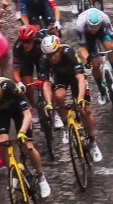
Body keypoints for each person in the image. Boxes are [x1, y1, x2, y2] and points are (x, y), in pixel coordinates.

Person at [0, 73, 51, 198]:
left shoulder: (9, 87)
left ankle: (41, 176)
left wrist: (21, 132)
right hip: (0, 114)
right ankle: (14, 173)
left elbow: (27, 114)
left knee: (27, 146)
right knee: (3, 143)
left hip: (19, 112)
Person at [40, 34, 102, 163]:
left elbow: (80, 77)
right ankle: (66, 125)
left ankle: (93, 142)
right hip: (60, 78)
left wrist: (80, 98)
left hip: (75, 77)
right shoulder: (44, 60)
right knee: (58, 96)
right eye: (49, 56)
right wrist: (48, 103)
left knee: (85, 110)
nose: (52, 58)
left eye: (54, 54)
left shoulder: (69, 53)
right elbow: (45, 83)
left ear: (59, 50)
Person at [75, 8, 113, 98]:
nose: (93, 29)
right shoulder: (80, 26)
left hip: (102, 31)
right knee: (95, 64)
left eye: (96, 26)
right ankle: (101, 89)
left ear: (100, 23)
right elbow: (82, 48)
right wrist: (88, 59)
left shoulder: (105, 19)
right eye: (91, 27)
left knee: (111, 48)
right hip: (87, 35)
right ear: (87, 23)